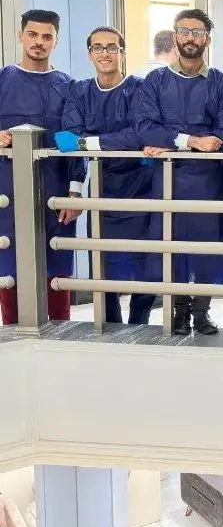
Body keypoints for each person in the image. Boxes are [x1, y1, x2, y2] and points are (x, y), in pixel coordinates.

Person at [134, 9, 223, 336]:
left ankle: (202, 311)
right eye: (184, 31)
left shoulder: (221, 82)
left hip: (208, 179)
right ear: (174, 36)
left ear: (208, 39)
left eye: (197, 32)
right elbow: (145, 128)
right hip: (167, 178)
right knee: (172, 244)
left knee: (207, 247)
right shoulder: (155, 81)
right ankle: (179, 310)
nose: (190, 37)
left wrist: (171, 141)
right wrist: (191, 141)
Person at [55, 26, 156, 324]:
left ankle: (140, 324)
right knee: (103, 263)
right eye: (97, 47)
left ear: (122, 53)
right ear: (90, 54)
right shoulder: (79, 92)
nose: (105, 53)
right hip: (103, 189)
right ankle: (110, 326)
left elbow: (139, 134)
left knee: (147, 263)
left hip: (142, 187)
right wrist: (75, 190)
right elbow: (69, 140)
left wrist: (87, 142)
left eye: (112, 47)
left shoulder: (140, 89)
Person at [0, 10, 83, 324]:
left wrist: (75, 193)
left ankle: (61, 337)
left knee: (56, 267)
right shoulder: (3, 80)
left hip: (55, 191)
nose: (39, 42)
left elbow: (74, 142)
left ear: (56, 41)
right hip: (7, 192)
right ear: (20, 35)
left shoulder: (69, 87)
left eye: (47, 36)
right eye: (32, 34)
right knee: (10, 267)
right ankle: (12, 337)